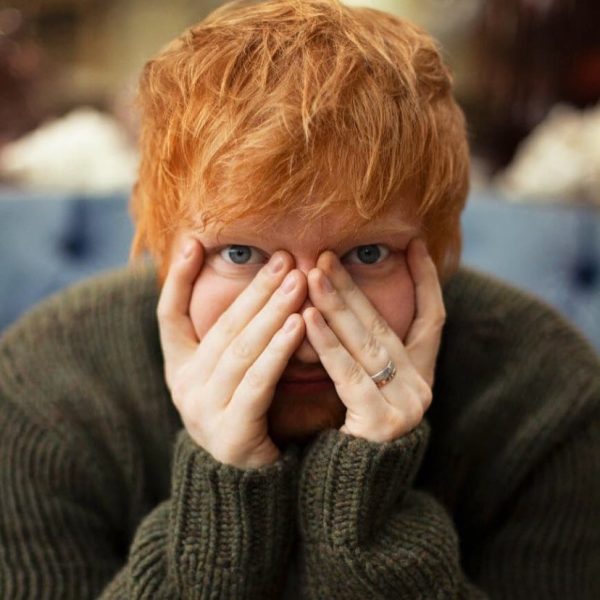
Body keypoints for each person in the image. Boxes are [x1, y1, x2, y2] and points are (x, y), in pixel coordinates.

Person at [0, 0, 598, 598]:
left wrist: (371, 519)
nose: (308, 329)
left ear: (437, 252)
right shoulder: (44, 385)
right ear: (163, 244)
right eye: (241, 254)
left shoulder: (547, 395)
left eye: (367, 254)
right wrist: (219, 505)